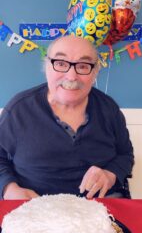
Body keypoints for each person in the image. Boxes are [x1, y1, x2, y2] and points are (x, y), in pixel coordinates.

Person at [0, 35, 134, 200]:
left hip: (99, 209)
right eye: (61, 64)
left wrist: (110, 173)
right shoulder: (18, 110)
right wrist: (8, 188)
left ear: (95, 72)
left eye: (83, 66)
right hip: (35, 210)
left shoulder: (109, 109)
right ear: (47, 66)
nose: (71, 76)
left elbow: (125, 155)